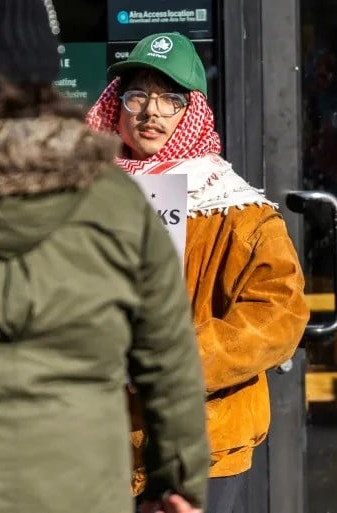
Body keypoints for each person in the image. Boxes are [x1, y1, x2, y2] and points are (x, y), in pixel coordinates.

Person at [0, 2, 209, 513]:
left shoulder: (202, 199)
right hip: (83, 485)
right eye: (139, 96)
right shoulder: (116, 200)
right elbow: (169, 360)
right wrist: (177, 483)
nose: (152, 112)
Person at [86, 31, 310, 513]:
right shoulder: (78, 196)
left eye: (170, 99)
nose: (151, 111)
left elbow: (281, 315)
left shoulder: (234, 208)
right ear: (116, 106)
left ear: (191, 114)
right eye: (137, 94)